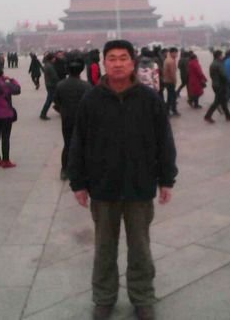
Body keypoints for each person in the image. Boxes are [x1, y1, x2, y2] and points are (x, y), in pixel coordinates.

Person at [68, 40, 177, 320]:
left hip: (139, 186)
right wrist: (78, 183)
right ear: (104, 63)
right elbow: (78, 142)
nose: (117, 63)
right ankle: (104, 297)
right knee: (104, 248)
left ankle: (142, 297)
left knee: (140, 247)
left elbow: (164, 141)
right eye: (112, 58)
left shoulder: (149, 99)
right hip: (103, 187)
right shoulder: (91, 100)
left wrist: (167, 178)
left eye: (123, 58)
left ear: (133, 62)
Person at [53, 55, 91, 181]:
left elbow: (56, 101)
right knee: (83, 144)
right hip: (83, 119)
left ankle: (65, 170)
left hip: (67, 119)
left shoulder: (60, 85)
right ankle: (82, 169)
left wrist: (63, 110)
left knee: (68, 144)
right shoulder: (86, 86)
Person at [204, 50, 230, 123]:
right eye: (221, 55)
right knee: (217, 101)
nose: (222, 56)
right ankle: (208, 116)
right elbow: (224, 75)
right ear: (219, 56)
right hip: (220, 85)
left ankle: (228, 115)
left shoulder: (213, 63)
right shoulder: (219, 64)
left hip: (215, 84)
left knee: (223, 101)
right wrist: (228, 80)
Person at [39, 53, 59, 120]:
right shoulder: (50, 66)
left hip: (48, 84)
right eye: (54, 58)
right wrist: (59, 82)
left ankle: (58, 108)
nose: (55, 59)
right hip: (51, 84)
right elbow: (54, 76)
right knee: (49, 99)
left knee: (53, 98)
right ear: (51, 58)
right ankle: (43, 114)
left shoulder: (47, 64)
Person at [162, 47, 180, 116]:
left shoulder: (167, 60)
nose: (177, 55)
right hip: (170, 81)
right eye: (176, 53)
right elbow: (172, 73)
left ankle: (168, 110)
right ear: (172, 53)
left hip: (166, 80)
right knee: (172, 97)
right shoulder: (171, 61)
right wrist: (174, 81)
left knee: (170, 96)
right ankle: (172, 110)